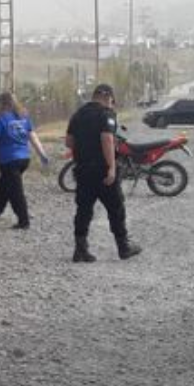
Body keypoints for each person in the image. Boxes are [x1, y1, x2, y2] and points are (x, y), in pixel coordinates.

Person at [65, 83, 142, 262]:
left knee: (83, 210)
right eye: (112, 101)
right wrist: (112, 167)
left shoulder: (78, 114)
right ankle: (124, 247)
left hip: (83, 170)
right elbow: (106, 139)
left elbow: (69, 142)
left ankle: (80, 249)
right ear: (108, 97)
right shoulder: (106, 114)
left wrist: (85, 147)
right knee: (116, 208)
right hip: (102, 171)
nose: (112, 104)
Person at [0, 92, 50, 229]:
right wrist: (42, 153)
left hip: (9, 161)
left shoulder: (0, 119)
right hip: (23, 159)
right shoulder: (23, 117)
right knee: (4, 184)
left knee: (15, 192)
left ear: (3, 104)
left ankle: (23, 221)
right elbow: (33, 136)